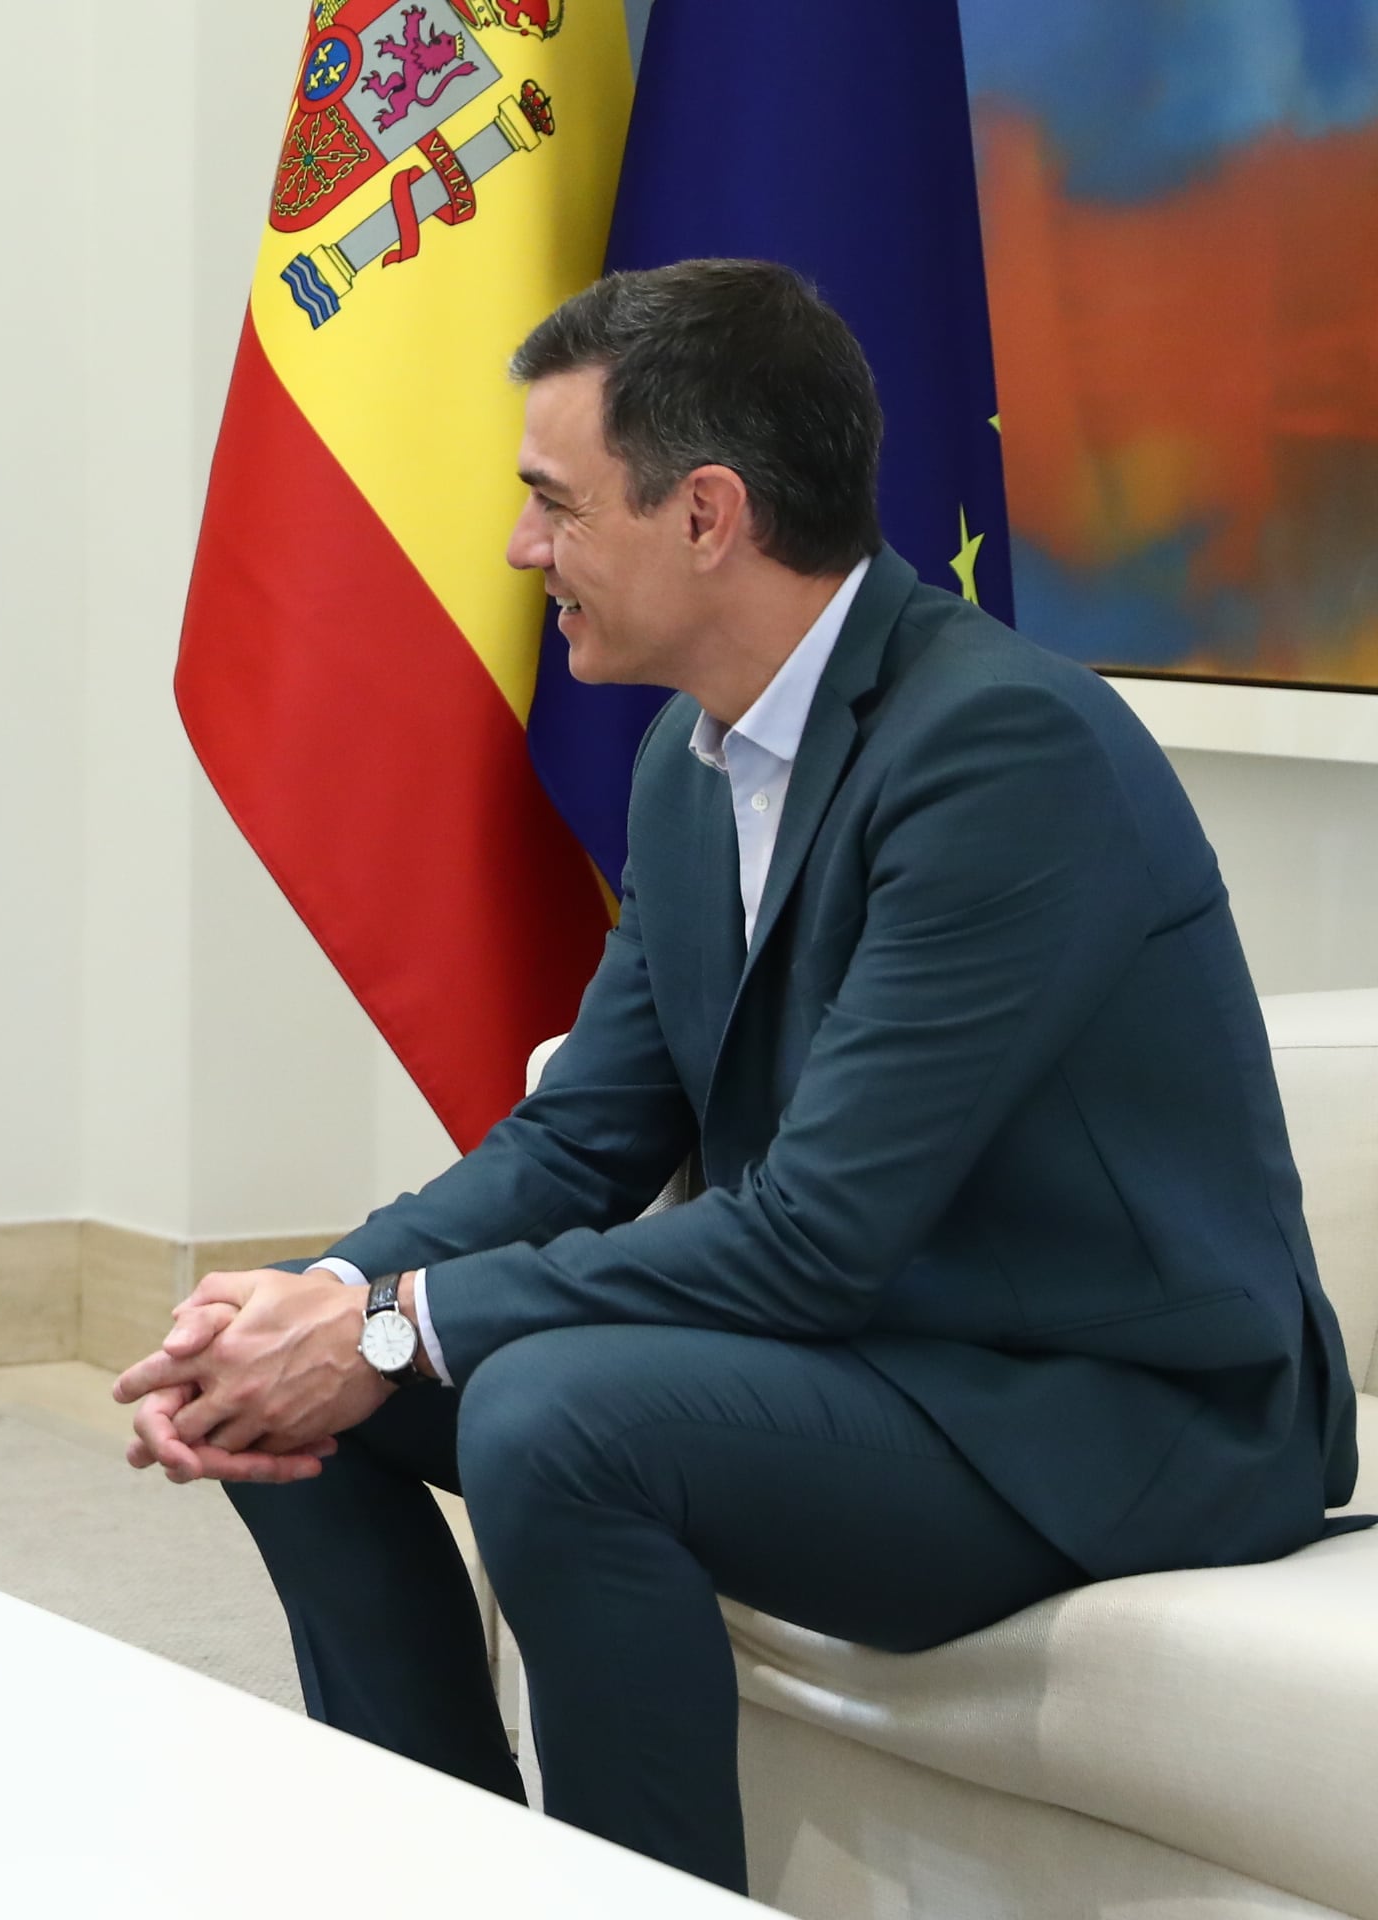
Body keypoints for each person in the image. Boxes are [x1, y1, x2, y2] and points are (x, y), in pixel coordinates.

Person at [115, 258, 1360, 1893]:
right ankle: (450, 1864)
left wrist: (397, 1325)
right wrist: (333, 1289)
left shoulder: (1001, 753)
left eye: (553, 504)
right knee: (284, 1355)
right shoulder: (693, 758)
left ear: (706, 514)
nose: (519, 548)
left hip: (1105, 1412)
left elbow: (816, 1232)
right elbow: (581, 1139)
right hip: (870, 1358)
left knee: (558, 1414)